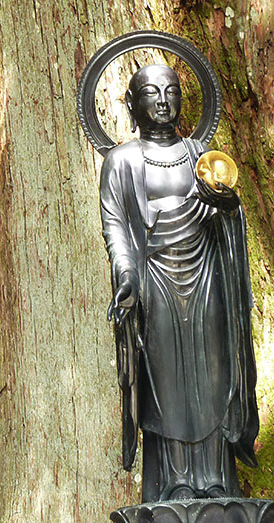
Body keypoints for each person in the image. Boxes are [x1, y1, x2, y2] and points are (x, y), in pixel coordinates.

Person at [100, 64, 258, 502]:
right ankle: (176, 479)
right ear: (132, 104)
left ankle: (215, 479)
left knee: (211, 375)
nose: (164, 100)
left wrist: (227, 206)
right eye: (151, 92)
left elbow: (229, 214)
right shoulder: (122, 161)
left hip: (207, 274)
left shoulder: (198, 154)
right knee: (166, 381)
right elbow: (116, 228)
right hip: (156, 283)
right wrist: (127, 277)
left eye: (171, 91)